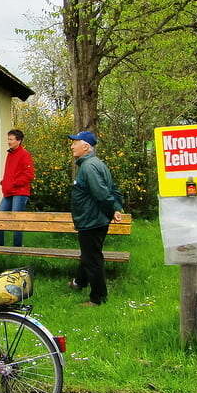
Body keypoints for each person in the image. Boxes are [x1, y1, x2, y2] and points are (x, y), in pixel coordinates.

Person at [67, 131, 124, 307]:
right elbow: (113, 189)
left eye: (75, 143)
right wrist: (116, 208)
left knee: (92, 258)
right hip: (95, 219)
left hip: (91, 220)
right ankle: (80, 282)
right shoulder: (97, 163)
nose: (72, 146)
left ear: (86, 146)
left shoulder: (88, 167)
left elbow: (101, 193)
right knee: (89, 254)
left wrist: (113, 209)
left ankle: (98, 298)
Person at [0, 129, 35, 247]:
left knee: (16, 219)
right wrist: (4, 182)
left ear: (19, 141)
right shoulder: (10, 154)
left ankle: (17, 248)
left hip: (20, 192)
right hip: (8, 191)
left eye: (11, 139)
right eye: (8, 139)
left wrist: (13, 183)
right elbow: (11, 173)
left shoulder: (24, 154)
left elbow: (29, 175)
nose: (8, 141)